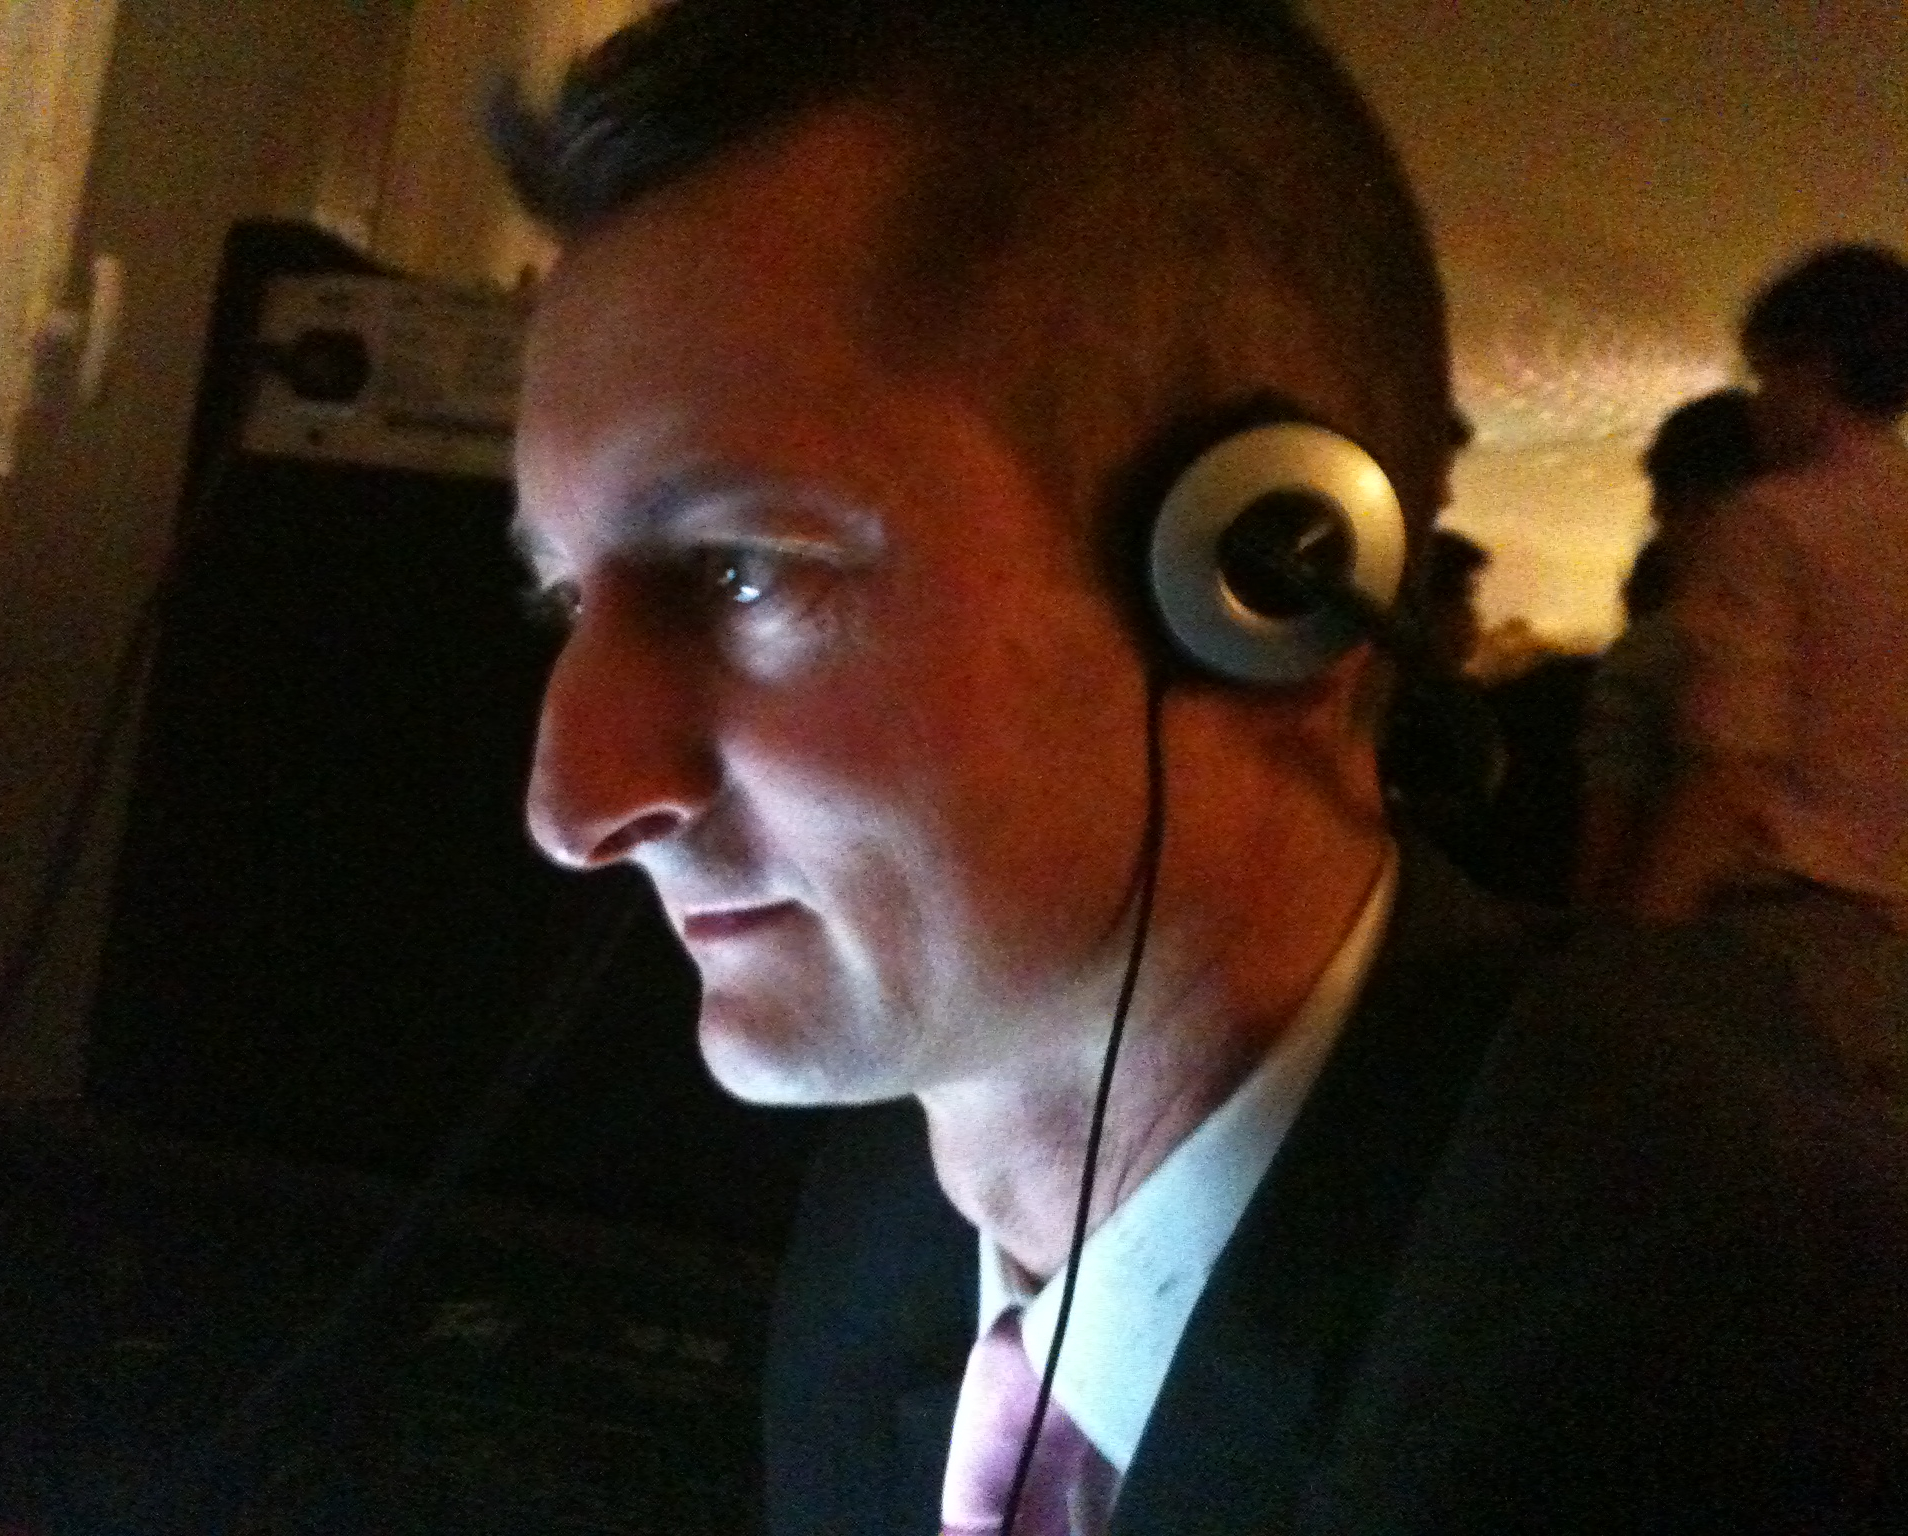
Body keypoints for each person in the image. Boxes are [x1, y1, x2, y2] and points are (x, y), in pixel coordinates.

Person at [492, 4, 1908, 1532]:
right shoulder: (888, 1225)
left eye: (745, 569)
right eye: (569, 597)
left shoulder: (1731, 1346)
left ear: (1262, 575)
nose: (572, 806)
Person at [1636, 245, 1908, 930]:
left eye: (1764, 376)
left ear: (1812, 366)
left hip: (1795, 917)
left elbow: (1733, 765)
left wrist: (1636, 934)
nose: (1758, 408)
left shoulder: (1771, 522)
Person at [1577, 388, 1760, 907]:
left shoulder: (1655, 656)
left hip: (1692, 931)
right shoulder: (1854, 647)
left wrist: (1604, 936)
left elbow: (1608, 841)